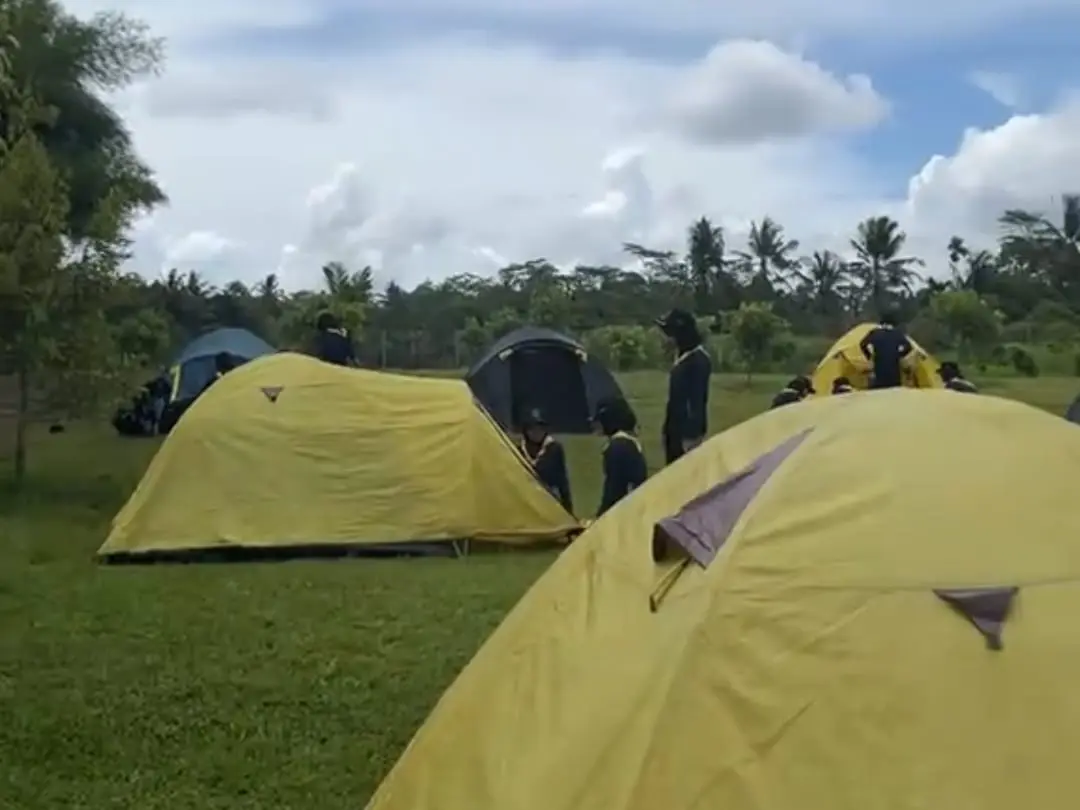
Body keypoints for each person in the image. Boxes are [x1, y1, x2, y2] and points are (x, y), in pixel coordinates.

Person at [655, 308, 712, 465]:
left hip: (686, 435)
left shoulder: (698, 361)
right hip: (675, 430)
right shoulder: (683, 357)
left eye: (670, 334)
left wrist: (692, 436)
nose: (667, 339)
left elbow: (697, 401)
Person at [593, 398, 648, 516]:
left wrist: (601, 516)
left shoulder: (617, 447)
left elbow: (614, 489)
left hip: (623, 512)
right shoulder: (629, 443)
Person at [518, 409, 573, 513]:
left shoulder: (554, 448)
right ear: (526, 430)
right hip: (526, 502)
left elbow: (562, 481)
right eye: (532, 429)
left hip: (549, 501)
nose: (537, 432)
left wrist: (568, 509)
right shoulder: (518, 450)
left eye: (540, 429)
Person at [859, 311, 912, 389]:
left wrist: (869, 356)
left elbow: (862, 344)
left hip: (879, 373)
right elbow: (908, 347)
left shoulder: (875, 333)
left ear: (882, 323)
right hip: (894, 374)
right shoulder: (897, 333)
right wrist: (898, 355)